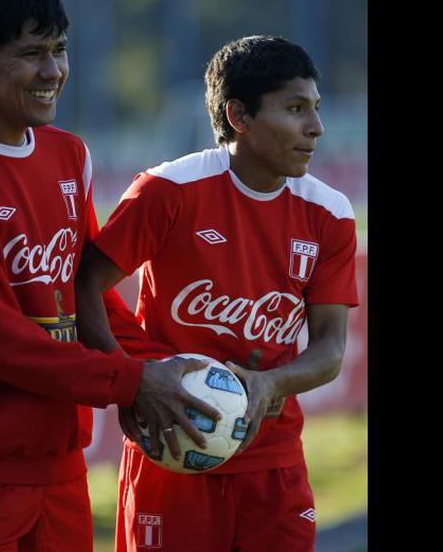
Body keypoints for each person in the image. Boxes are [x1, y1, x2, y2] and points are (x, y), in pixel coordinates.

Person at [75, 35, 360, 552]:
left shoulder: (331, 214)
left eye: (315, 108)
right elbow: (85, 286)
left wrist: (270, 384)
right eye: (295, 108)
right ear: (239, 115)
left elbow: (330, 349)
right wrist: (131, 381)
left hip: (273, 464)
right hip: (171, 451)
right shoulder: (167, 190)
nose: (316, 127)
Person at [0, 0, 220, 550]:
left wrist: (164, 370)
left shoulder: (68, 154)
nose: (53, 71)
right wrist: (133, 382)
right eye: (31, 53)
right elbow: (4, 339)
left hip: (60, 469)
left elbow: (81, 295)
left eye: (59, 49)